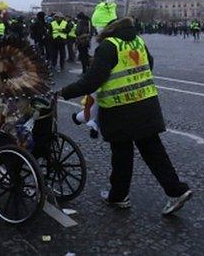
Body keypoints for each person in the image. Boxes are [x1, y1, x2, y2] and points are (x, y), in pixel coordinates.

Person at [58, 17, 192, 216]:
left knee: (122, 154)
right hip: (146, 103)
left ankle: (119, 196)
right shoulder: (138, 41)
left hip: (120, 109)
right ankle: (176, 190)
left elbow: (91, 81)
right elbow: (149, 64)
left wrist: (63, 92)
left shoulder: (108, 46)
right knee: (154, 151)